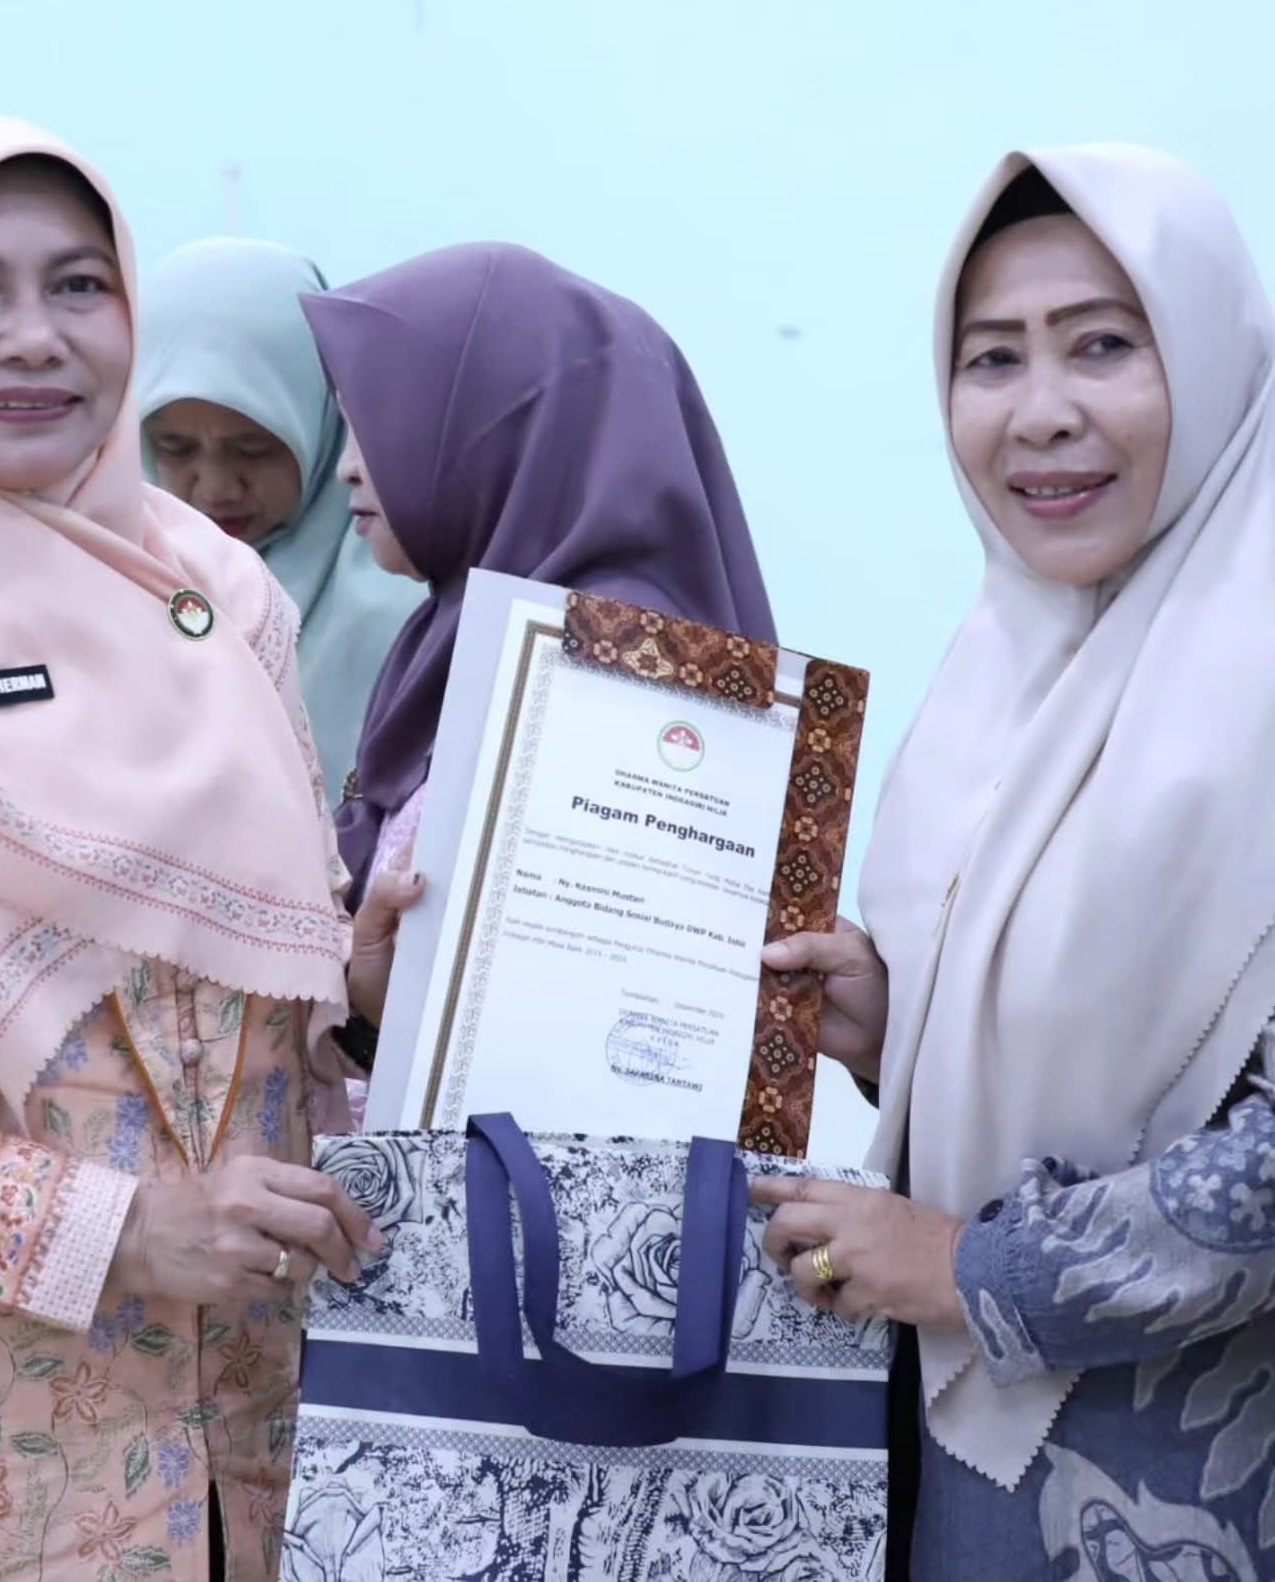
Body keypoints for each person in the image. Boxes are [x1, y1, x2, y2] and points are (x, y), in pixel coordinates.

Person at [0, 118, 395, 1580]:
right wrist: (115, 1231)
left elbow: (252, 988)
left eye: (79, 285)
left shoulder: (220, 604)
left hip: (254, 1449)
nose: (33, 336)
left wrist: (360, 984)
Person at [753, 148, 1275, 1578]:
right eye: (992, 359)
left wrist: (963, 1265)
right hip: (958, 1481)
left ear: (1216, 362)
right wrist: (899, 1033)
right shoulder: (1000, 680)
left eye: (1103, 345)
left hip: (1200, 1495)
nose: (1041, 412)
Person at [297, 241, 777, 1047]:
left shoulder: (620, 668)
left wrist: (377, 1015)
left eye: (377, 424)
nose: (347, 467)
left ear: (492, 429)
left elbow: (578, 1032)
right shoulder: (452, 635)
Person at [137, 238, 420, 797]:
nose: (216, 487)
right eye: (175, 448)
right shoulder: (105, 580)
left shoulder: (407, 601)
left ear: (324, 416)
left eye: (254, 448)